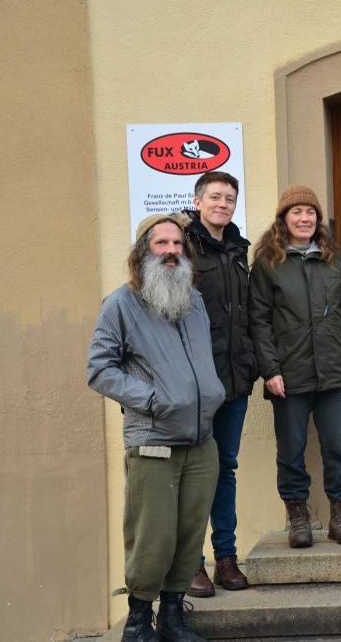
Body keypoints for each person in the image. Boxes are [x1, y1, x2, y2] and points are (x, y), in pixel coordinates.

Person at [87, 213, 225, 642]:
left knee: (188, 535)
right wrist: (151, 400)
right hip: (153, 442)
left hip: (202, 440)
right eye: (160, 243)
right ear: (142, 250)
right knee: (153, 536)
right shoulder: (120, 305)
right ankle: (138, 621)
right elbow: (99, 369)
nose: (170, 251)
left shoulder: (193, 300)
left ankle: (172, 616)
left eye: (177, 244)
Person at [248, 185, 341, 548]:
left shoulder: (333, 258)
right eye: (297, 212)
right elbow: (259, 320)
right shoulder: (268, 263)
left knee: (339, 447)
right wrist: (270, 370)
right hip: (290, 373)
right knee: (292, 450)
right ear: (284, 219)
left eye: (310, 213)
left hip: (335, 371)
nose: (304, 219)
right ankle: (298, 518)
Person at [182, 171, 258, 597]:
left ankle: (226, 558)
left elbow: (246, 315)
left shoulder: (238, 250)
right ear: (198, 201)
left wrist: (250, 365)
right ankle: (193, 563)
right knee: (195, 472)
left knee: (225, 469)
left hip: (234, 380)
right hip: (195, 384)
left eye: (229, 198)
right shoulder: (182, 247)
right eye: (214, 197)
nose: (222, 204)